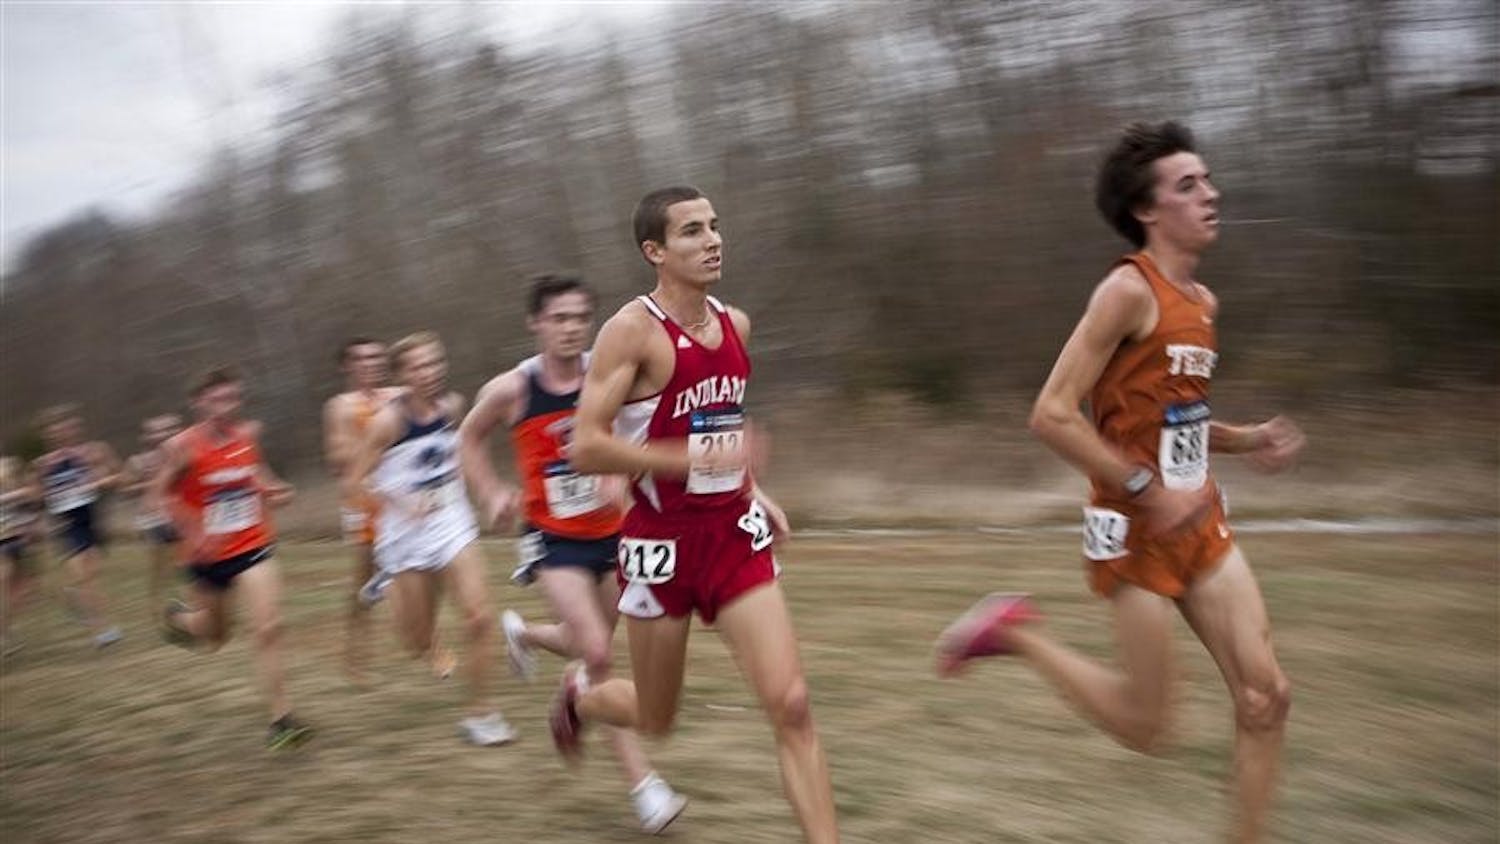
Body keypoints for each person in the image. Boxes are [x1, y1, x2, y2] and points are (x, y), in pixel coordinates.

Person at [935, 121, 1304, 844]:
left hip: (1198, 521)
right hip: (1133, 527)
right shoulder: (1125, 291)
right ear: (1147, 209)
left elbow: (1173, 420)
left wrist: (1244, 437)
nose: (1211, 194)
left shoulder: (1202, 303)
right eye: (1188, 185)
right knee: (1147, 726)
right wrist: (1146, 489)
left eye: (1207, 179)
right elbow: (1050, 413)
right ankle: (1017, 634)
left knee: (1266, 698)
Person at [560, 186, 839, 843]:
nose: (712, 240)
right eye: (691, 231)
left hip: (731, 533)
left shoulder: (735, 324)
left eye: (715, 226)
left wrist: (753, 488)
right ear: (655, 251)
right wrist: (687, 459)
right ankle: (578, 696)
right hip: (660, 545)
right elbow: (586, 444)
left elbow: (720, 422)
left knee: (792, 706)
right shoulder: (631, 330)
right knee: (656, 718)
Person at [459, 274, 687, 833]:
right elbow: (466, 438)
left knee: (591, 645)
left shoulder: (607, 375)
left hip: (614, 533)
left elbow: (644, 430)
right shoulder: (512, 389)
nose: (570, 328)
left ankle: (528, 636)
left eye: (580, 318)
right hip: (552, 538)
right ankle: (645, 789)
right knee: (599, 654)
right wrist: (489, 492)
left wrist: (626, 471)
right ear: (536, 323)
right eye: (558, 318)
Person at [344, 331, 515, 747]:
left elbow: (468, 450)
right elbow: (352, 483)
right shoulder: (389, 421)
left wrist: (489, 495)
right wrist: (398, 501)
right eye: (419, 366)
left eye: (436, 362)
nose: (431, 372)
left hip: (452, 523)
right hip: (404, 537)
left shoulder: (453, 406)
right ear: (403, 374)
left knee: (479, 617)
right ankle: (386, 589)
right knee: (417, 640)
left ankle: (481, 715)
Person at [155, 366, 313, 750]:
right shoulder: (183, 446)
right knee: (215, 636)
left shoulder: (245, 436)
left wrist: (278, 491)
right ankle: (182, 620)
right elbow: (160, 494)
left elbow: (259, 477)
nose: (225, 407)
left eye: (231, 398)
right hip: (206, 556)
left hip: (253, 543)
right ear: (198, 402)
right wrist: (194, 531)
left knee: (268, 627)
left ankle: (281, 720)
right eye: (216, 400)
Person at [321, 337, 412, 684]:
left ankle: (423, 643)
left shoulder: (398, 396)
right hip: (362, 501)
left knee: (418, 573)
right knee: (364, 583)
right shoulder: (341, 406)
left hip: (400, 500)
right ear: (347, 366)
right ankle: (355, 659)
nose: (370, 363)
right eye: (360, 359)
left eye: (375, 356)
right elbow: (337, 460)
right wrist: (379, 443)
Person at [29, 404, 123, 647]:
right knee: (84, 575)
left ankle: (75, 598)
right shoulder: (42, 464)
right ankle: (101, 630)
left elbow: (120, 477)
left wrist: (97, 482)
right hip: (67, 524)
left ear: (75, 428)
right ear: (46, 435)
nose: (60, 434)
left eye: (65, 428)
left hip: (93, 520)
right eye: (53, 431)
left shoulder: (94, 451)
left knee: (90, 575)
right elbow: (37, 498)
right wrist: (43, 493)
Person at [122, 414, 184, 620]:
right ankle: (156, 602)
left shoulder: (183, 455)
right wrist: (151, 484)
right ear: (146, 436)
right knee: (160, 564)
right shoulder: (137, 461)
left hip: (180, 515)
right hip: (151, 518)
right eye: (155, 431)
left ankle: (179, 602)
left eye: (167, 429)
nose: (162, 434)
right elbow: (125, 488)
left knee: (182, 560)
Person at [1, 455, 42, 656]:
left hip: (17, 537)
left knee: (20, 591)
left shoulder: (10, 464)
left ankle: (6, 631)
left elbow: (32, 495)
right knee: (4, 580)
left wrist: (30, 524)